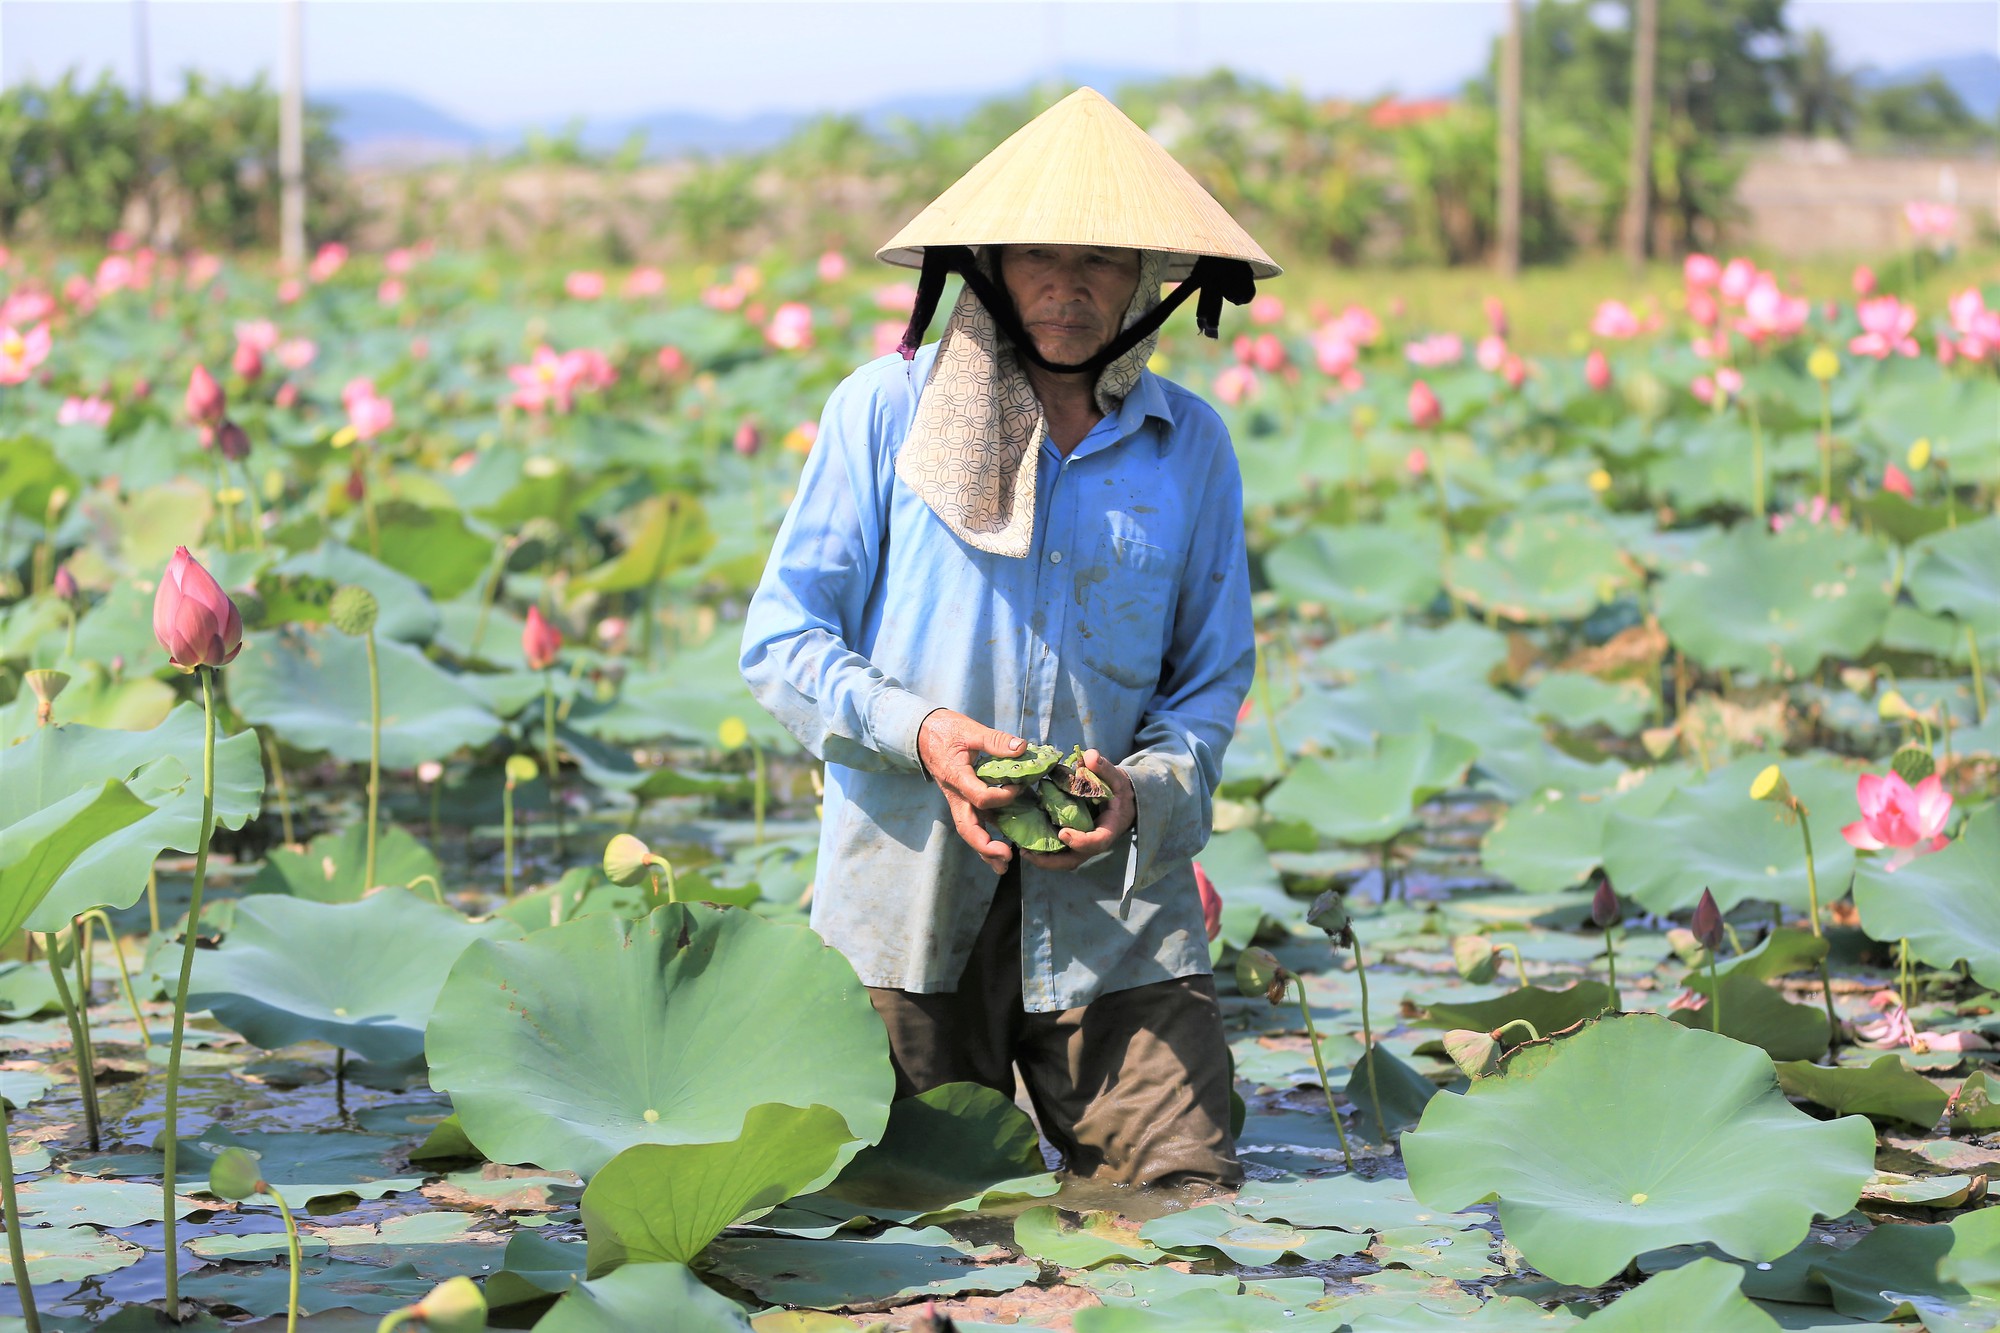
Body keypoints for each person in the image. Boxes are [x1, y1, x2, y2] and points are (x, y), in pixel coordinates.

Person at [740, 87, 1279, 1187]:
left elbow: (1210, 679)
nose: (1067, 285)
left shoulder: (1189, 447)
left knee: (1187, 1207)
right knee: (907, 1234)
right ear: (986, 264)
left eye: (1100, 260)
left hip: (1118, 908)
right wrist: (924, 732)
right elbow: (783, 641)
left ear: (1147, 282)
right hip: (909, 900)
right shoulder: (881, 415)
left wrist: (1143, 792)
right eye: (1037, 253)